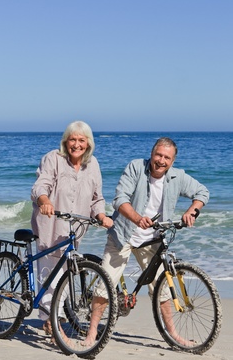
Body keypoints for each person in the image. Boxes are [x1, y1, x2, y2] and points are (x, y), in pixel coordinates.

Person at [84, 137, 209, 346]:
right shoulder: (136, 167)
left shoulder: (178, 177)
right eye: (158, 155)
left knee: (161, 289)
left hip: (152, 239)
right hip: (124, 234)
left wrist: (191, 212)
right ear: (151, 153)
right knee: (104, 286)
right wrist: (137, 218)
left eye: (167, 157)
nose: (161, 160)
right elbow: (119, 199)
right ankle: (91, 332)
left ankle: (173, 335)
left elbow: (202, 192)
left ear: (173, 160)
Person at [30, 120, 113, 336]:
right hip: (51, 225)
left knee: (67, 272)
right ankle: (50, 320)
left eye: (81, 140)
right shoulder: (53, 159)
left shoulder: (93, 164)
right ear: (66, 141)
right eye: (73, 139)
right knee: (49, 272)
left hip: (75, 227)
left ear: (88, 143)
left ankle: (54, 315)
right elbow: (41, 185)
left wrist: (102, 215)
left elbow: (97, 198)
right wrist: (44, 201)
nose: (76, 144)